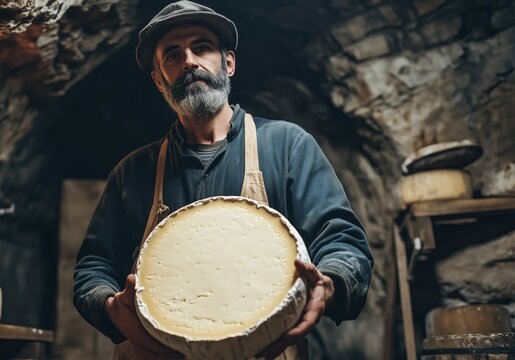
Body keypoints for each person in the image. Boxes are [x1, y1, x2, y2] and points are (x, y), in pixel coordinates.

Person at [74, 1, 373, 359]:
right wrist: (111, 308)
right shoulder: (132, 173)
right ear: (159, 80)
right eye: (172, 55)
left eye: (201, 47)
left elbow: (342, 242)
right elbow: (93, 268)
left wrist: (328, 285)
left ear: (228, 62)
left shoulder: (287, 147)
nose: (188, 61)